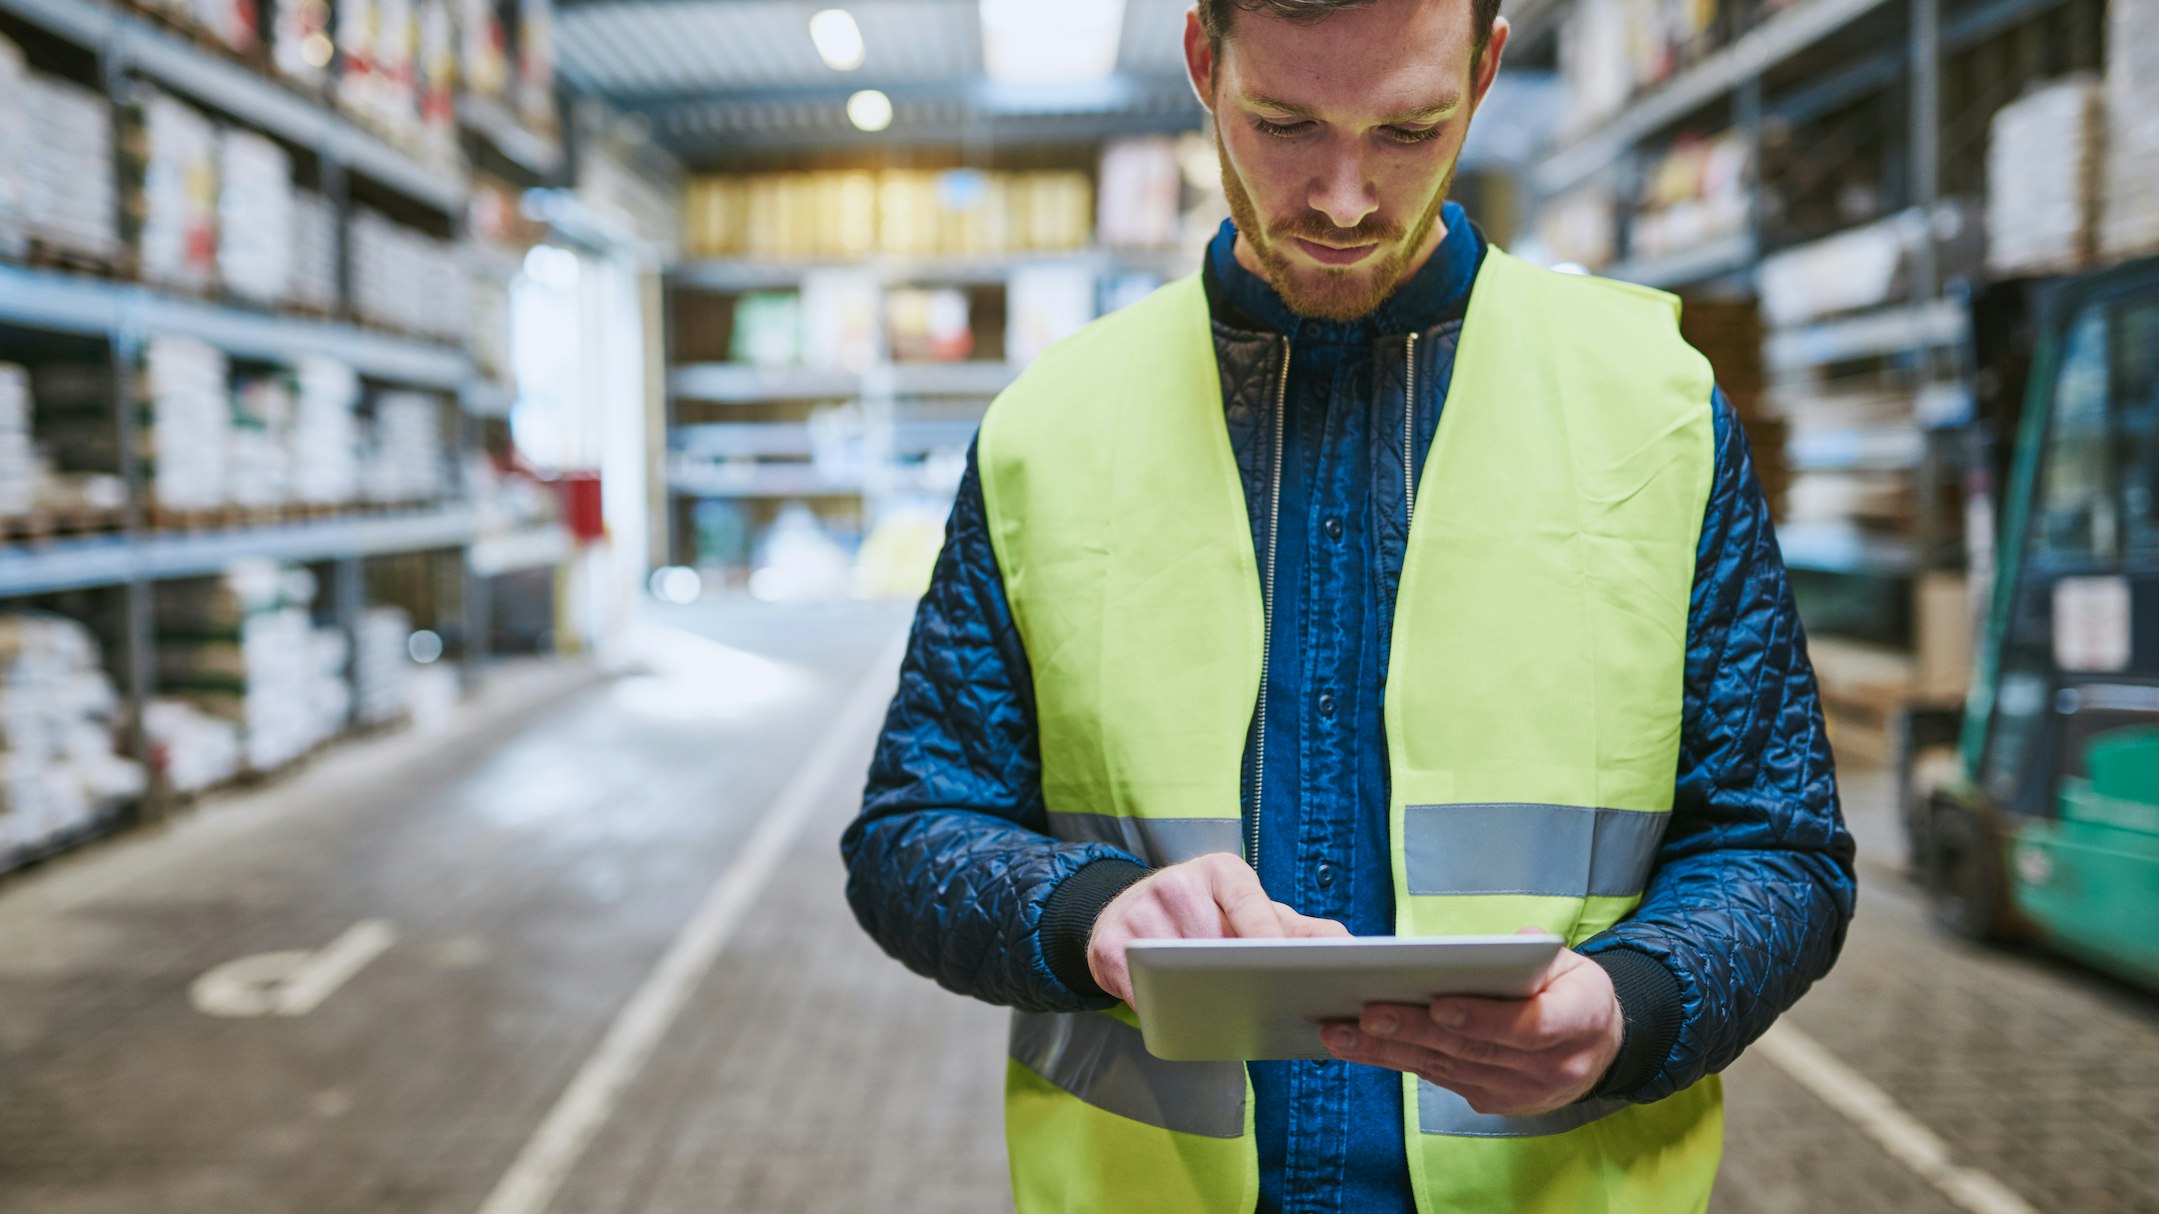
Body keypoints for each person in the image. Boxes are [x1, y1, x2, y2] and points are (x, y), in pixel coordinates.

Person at [841, 0, 1857, 1209]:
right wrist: (1084, 907)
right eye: (1281, 125)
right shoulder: (1048, 432)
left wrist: (1637, 998)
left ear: (1484, 72)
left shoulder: (1656, 413)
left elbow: (1777, 842)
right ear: (1201, 63)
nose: (1339, 197)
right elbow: (912, 828)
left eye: (1406, 130)